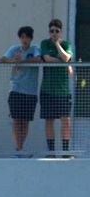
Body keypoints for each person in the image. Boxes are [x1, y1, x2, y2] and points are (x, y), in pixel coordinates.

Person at [0, 27, 41, 157]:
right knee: (16, 119)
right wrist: (13, 60)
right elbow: (2, 59)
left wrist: (21, 61)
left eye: (27, 37)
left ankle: (21, 147)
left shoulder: (35, 49)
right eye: (22, 37)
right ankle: (18, 148)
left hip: (30, 91)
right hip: (16, 88)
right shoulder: (14, 49)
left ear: (31, 38)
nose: (24, 40)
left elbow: (38, 59)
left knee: (25, 120)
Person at [39, 19, 73, 157]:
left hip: (63, 90)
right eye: (51, 31)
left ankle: (65, 151)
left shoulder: (66, 44)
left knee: (65, 121)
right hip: (48, 89)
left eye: (56, 31)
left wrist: (58, 44)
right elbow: (46, 58)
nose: (53, 33)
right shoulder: (45, 43)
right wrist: (62, 61)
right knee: (49, 120)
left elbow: (66, 57)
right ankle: (51, 152)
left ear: (61, 32)